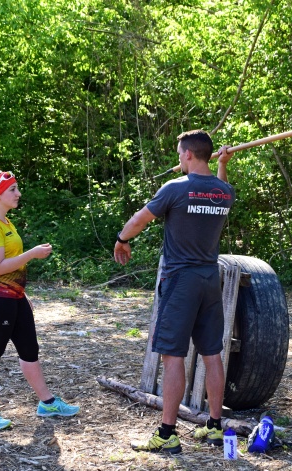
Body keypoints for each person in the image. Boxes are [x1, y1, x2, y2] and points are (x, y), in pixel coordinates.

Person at [114, 130, 235, 454]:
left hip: (181, 281)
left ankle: (167, 433)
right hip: (210, 279)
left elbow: (140, 219)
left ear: (189, 154)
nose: (179, 158)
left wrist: (122, 239)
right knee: (212, 354)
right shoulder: (225, 191)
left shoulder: (176, 188)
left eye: (180, 153)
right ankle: (214, 427)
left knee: (172, 356)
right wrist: (223, 164)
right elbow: (218, 193)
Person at [0, 170, 79, 430]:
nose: (18, 193)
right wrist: (32, 254)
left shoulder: (4, 222)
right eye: (12, 189)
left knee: (29, 349)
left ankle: (47, 403)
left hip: (13, 297)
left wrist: (21, 295)